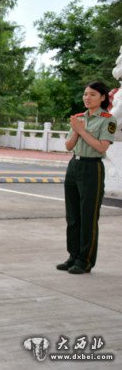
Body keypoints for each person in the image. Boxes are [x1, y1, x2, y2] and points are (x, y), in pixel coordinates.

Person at [57, 81, 117, 274]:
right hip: (75, 165)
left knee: (88, 216)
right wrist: (76, 129)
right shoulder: (78, 118)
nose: (87, 98)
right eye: (85, 94)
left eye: (92, 94)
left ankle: (85, 260)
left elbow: (101, 147)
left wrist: (82, 130)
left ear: (102, 97)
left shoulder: (107, 119)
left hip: (92, 168)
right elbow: (68, 146)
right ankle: (73, 256)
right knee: (73, 216)